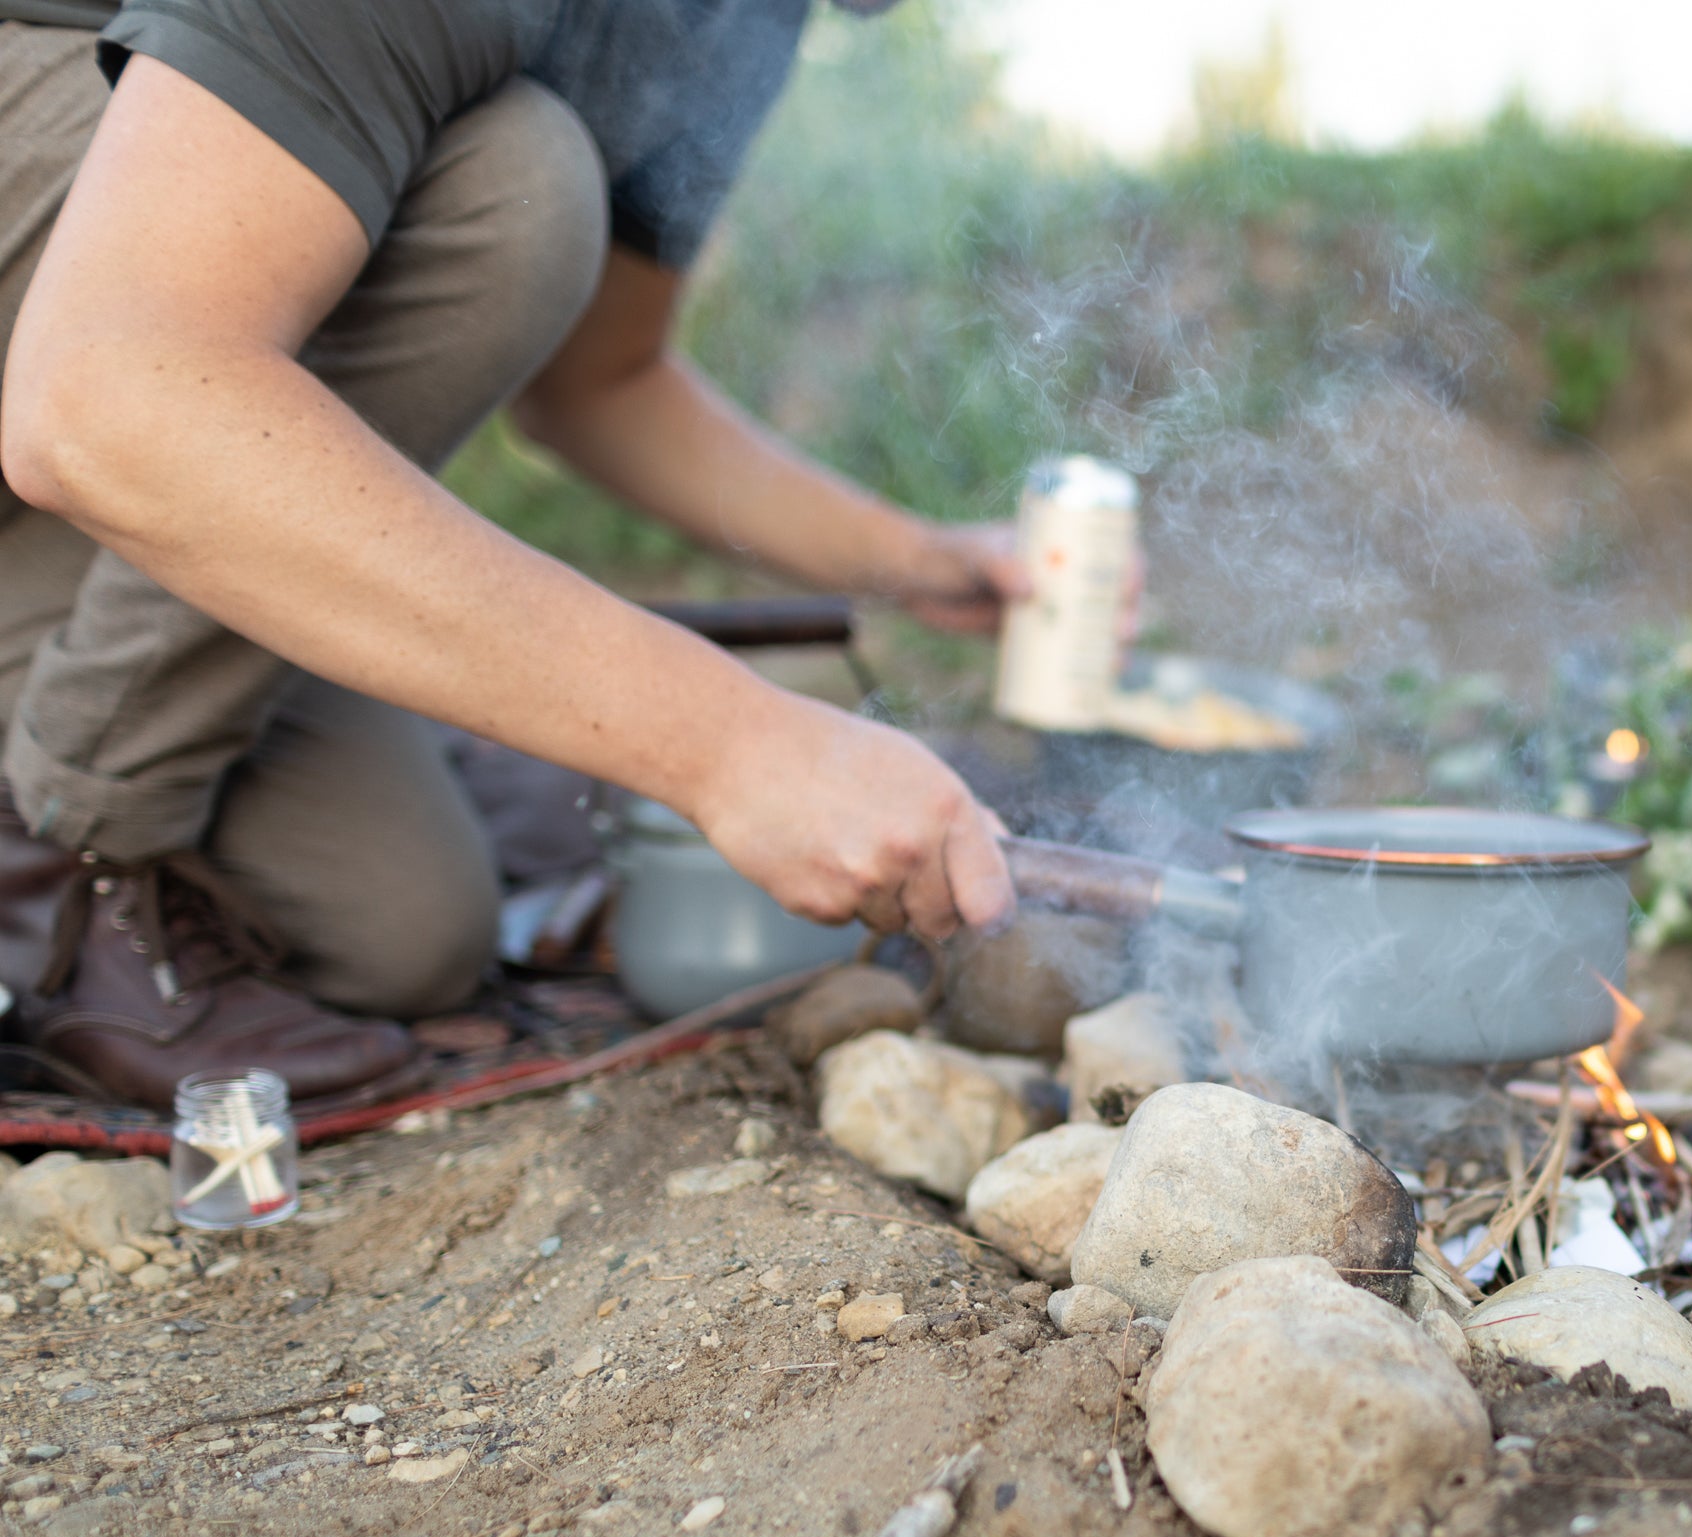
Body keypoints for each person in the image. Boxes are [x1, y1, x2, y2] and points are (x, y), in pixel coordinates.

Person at [0, 0, 1023, 1113]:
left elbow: (600, 383)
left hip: (98, 368)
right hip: (81, 307)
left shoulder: (736, 20)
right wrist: (733, 746)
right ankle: (67, 853)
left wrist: (918, 560)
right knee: (516, 185)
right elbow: (102, 397)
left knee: (400, 930)